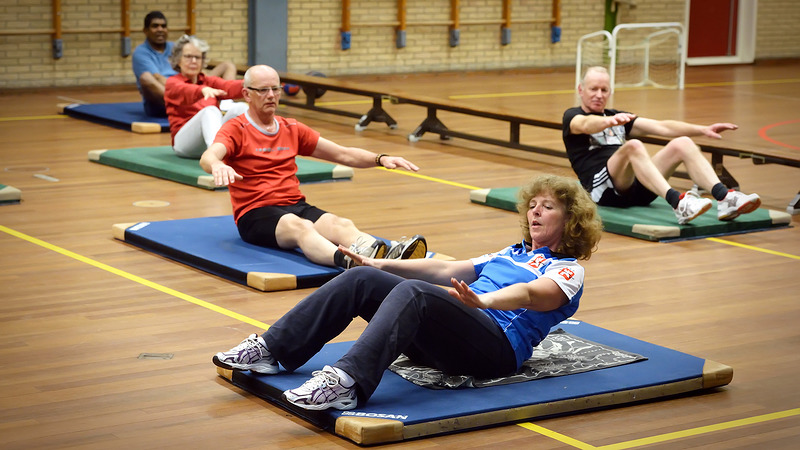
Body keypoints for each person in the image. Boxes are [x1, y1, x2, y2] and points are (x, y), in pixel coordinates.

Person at [212, 174, 603, 411]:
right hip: (452, 334)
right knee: (360, 280)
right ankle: (273, 349)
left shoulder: (567, 270)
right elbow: (446, 268)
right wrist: (380, 265)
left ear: (569, 221)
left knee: (417, 293)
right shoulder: (510, 251)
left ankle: (347, 384)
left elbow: (533, 295)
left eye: (547, 207)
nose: (534, 212)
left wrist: (483, 300)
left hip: (493, 348)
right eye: (532, 205)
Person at [199, 64, 427, 269]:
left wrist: (380, 159)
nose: (271, 95)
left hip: (295, 204)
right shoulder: (236, 128)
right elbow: (208, 156)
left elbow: (343, 154)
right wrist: (217, 165)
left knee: (341, 224)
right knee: (301, 227)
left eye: (275, 89)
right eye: (263, 90)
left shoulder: (292, 128)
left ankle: (386, 255)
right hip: (255, 213)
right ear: (247, 94)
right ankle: (350, 262)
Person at [563, 66, 761, 225]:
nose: (599, 94)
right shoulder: (572, 116)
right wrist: (610, 121)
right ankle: (679, 203)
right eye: (593, 89)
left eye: (604, 90)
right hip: (604, 191)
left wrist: (702, 129)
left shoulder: (617, 115)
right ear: (581, 90)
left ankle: (725, 197)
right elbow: (586, 124)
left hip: (636, 190)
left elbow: (662, 126)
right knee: (634, 146)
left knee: (682, 143)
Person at [132, 11, 237, 118]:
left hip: (189, 85)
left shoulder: (174, 46)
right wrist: (183, 89)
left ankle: (226, 104)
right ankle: (187, 105)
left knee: (227, 65)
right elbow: (157, 77)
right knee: (146, 78)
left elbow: (191, 68)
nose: (160, 30)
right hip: (164, 98)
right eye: (155, 26)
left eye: (163, 26)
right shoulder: (141, 52)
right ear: (145, 30)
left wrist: (199, 81)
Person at [165, 35, 249, 159]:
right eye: (188, 56)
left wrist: (252, 83)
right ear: (178, 60)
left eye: (197, 57)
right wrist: (202, 90)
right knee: (210, 111)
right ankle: (216, 159)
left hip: (211, 137)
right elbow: (185, 90)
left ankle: (253, 152)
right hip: (185, 144)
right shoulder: (172, 83)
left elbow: (229, 87)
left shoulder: (208, 81)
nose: (193, 61)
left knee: (241, 108)